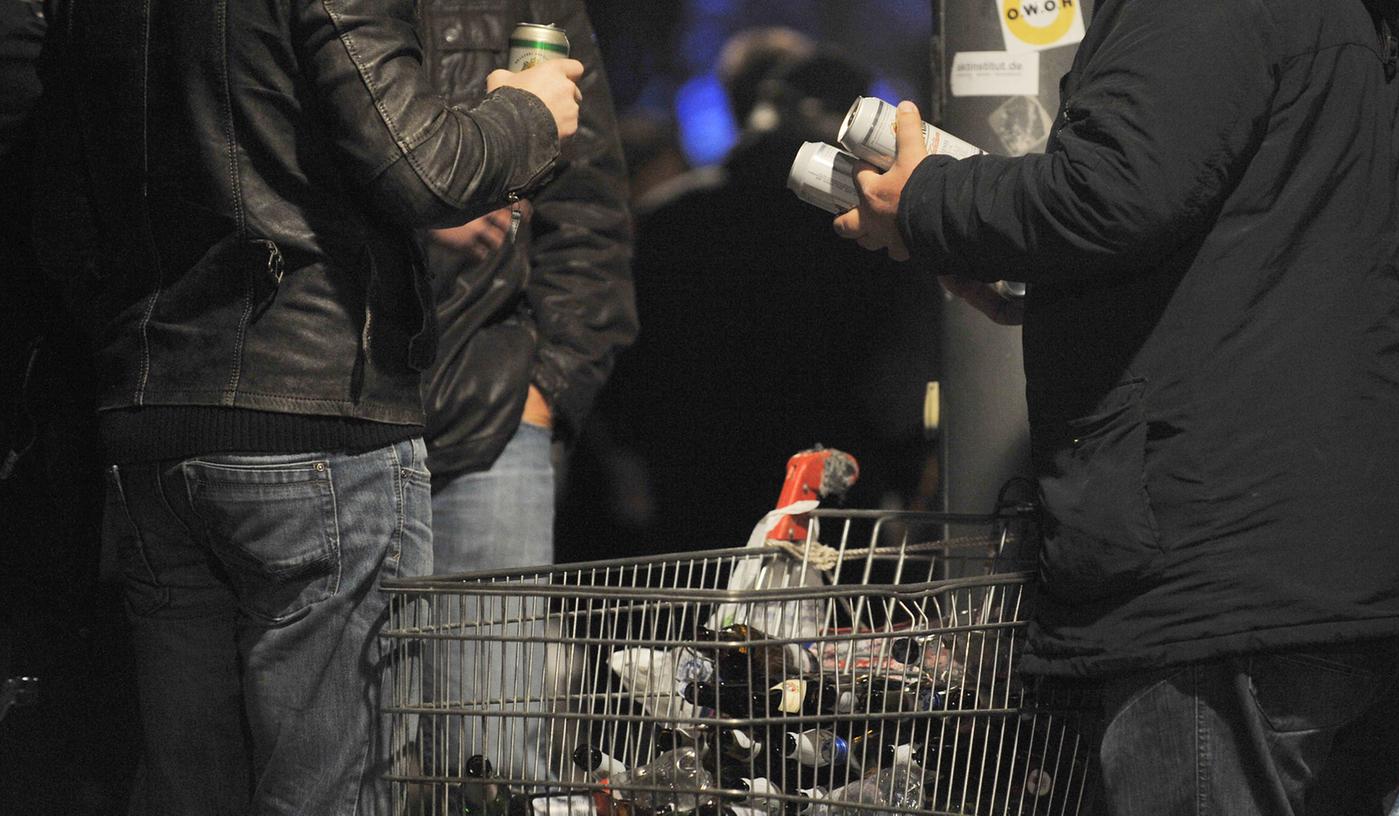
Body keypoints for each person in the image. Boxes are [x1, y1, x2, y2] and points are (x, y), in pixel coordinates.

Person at [835, 0, 1399, 813]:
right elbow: (1256, 245)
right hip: (1351, 556)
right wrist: (1039, 279)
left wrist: (925, 202)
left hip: (1228, 566)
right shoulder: (1341, 20)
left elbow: (1110, 192)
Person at [30, 0, 583, 811]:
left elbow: (61, 214)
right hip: (316, 422)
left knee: (195, 793)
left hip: (153, 415)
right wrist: (530, 109)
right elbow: (425, 165)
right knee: (333, 795)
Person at [569, 34, 942, 558]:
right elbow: (900, 370)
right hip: (839, 486)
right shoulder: (872, 231)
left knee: (690, 633)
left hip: (692, 481)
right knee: (836, 635)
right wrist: (904, 463)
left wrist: (630, 459)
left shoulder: (669, 219)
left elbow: (620, 355)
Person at [414, 0, 634, 784]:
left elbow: (588, 218)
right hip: (332, 406)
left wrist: (540, 399)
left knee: (490, 766)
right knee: (343, 766)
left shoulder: (535, 7)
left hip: (489, 408)